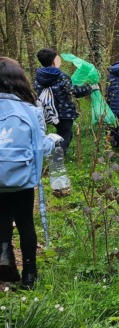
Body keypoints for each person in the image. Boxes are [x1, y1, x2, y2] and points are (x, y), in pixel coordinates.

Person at [0, 57, 62, 288]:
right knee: (25, 222)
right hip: (21, 176)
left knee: (2, 218)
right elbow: (40, 147)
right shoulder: (30, 108)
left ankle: (4, 255)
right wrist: (54, 139)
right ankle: (29, 275)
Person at [33, 48, 93, 155]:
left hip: (47, 111)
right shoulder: (61, 76)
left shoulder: (38, 76)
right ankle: (56, 160)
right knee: (65, 135)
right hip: (63, 112)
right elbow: (73, 91)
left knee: (59, 134)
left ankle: (51, 154)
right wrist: (89, 88)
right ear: (53, 61)